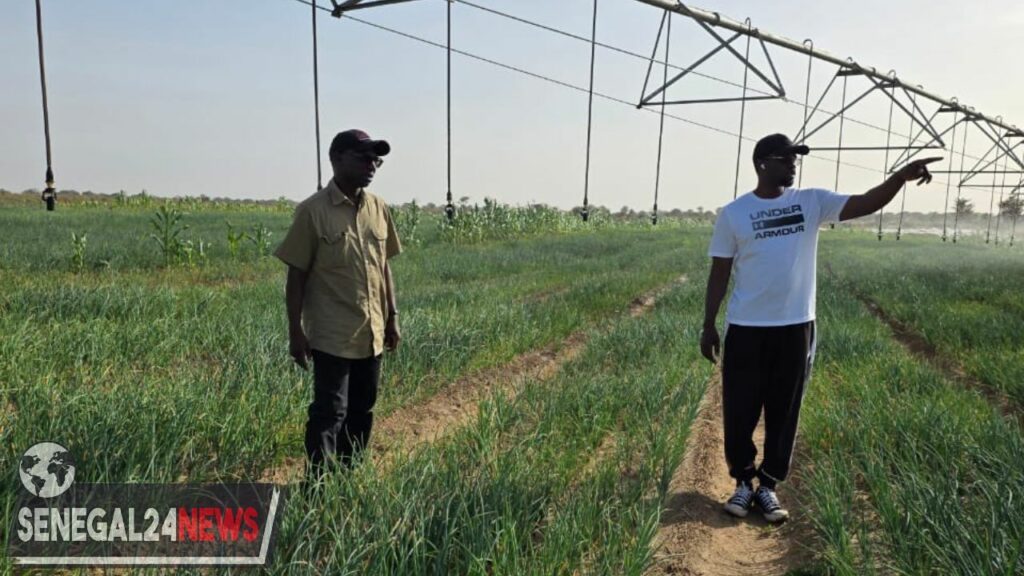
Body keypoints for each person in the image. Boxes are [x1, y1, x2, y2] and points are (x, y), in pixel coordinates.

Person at [700, 133, 939, 522]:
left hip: (795, 327)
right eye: (786, 159)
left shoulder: (810, 202)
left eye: (796, 159)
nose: (793, 165)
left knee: (785, 408)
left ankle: (769, 487)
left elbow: (865, 203)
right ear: (762, 163)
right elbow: (719, 271)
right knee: (740, 408)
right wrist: (708, 324)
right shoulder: (734, 214)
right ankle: (743, 483)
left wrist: (898, 178)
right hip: (746, 327)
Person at [274, 129, 403, 479]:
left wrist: (392, 316)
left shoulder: (379, 209)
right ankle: (318, 487)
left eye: (375, 159)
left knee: (363, 410)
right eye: (363, 157)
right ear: (337, 158)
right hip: (332, 334)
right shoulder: (312, 212)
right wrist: (295, 332)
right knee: (330, 414)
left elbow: (384, 266)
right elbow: (296, 276)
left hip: (372, 331)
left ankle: (348, 477)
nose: (372, 164)